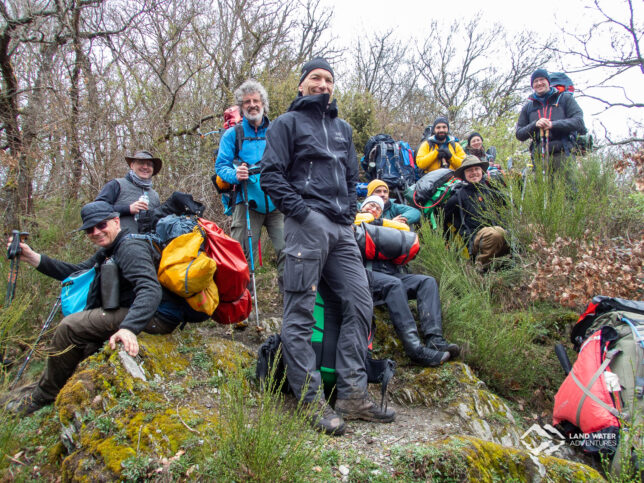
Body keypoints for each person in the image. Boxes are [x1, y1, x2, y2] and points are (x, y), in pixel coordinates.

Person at [260, 57, 395, 436]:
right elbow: (270, 175)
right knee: (300, 309)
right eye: (316, 78)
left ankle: (352, 395)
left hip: (342, 227)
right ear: (301, 85)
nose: (323, 84)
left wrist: (350, 213)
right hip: (307, 224)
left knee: (360, 301)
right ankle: (308, 400)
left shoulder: (343, 128)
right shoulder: (286, 124)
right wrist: (303, 212)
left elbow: (353, 174)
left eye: (329, 79)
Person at [5, 201, 200, 415]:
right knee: (83, 333)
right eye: (90, 229)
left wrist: (128, 328)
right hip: (143, 311)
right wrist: (33, 258)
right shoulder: (111, 249)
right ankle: (58, 382)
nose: (96, 232)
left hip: (158, 316)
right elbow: (78, 273)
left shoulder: (129, 248)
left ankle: (42, 397)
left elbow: (150, 289)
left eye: (101, 225)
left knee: (69, 327)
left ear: (116, 221)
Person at [356, 199, 459, 367]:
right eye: (370, 205)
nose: (374, 208)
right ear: (362, 206)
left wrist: (381, 222)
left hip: (391, 273)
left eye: (378, 207)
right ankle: (415, 349)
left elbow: (405, 229)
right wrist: (373, 219)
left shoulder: (386, 225)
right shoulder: (354, 219)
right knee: (394, 285)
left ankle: (435, 339)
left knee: (427, 282)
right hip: (366, 274)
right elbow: (356, 221)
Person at [215, 80, 285, 281]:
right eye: (247, 102)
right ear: (241, 106)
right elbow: (221, 166)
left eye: (256, 100)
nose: (252, 105)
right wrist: (235, 174)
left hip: (277, 202)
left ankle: (290, 299)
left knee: (288, 251)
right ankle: (243, 301)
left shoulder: (277, 130)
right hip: (246, 201)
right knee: (242, 254)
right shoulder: (232, 134)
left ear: (263, 103)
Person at [442, 155, 510, 271]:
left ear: (482, 171)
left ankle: (504, 262)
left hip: (496, 233)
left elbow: (505, 212)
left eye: (476, 169)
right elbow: (444, 222)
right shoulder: (457, 197)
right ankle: (480, 267)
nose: (474, 173)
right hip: (474, 240)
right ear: (464, 174)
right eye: (469, 170)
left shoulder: (491, 191)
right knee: (495, 233)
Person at [515, 69, 585, 173]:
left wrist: (553, 124)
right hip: (539, 159)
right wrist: (535, 124)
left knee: (567, 188)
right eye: (535, 81)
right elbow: (519, 134)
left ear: (548, 82)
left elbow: (579, 122)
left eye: (542, 80)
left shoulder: (564, 99)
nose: (539, 83)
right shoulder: (528, 107)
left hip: (563, 154)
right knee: (541, 189)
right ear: (532, 85)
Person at [95, 150, 162, 234]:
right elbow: (96, 210)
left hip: (146, 244)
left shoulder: (155, 195)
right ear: (132, 165)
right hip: (118, 244)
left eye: (149, 164)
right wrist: (128, 209)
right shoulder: (116, 184)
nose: (145, 167)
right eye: (141, 163)